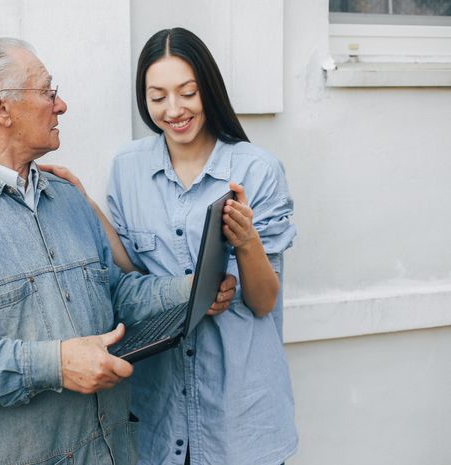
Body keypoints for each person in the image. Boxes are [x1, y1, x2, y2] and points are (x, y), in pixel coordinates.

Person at [0, 38, 235, 465]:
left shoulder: (68, 199)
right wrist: (57, 364)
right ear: (0, 109)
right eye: (48, 92)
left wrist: (193, 289)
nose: (61, 105)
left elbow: (117, 294)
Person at [42, 27, 297, 465]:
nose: (174, 110)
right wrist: (84, 201)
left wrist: (247, 241)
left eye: (188, 93)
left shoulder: (257, 170)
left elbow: (263, 301)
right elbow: (130, 267)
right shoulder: (128, 166)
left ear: (209, 91)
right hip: (159, 410)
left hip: (240, 416)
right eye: (158, 97)